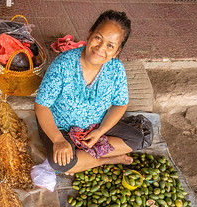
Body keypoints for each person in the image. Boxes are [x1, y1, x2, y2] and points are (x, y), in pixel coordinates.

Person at [35, 10, 149, 174]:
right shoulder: (63, 64)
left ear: (117, 52)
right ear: (89, 35)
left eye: (110, 46)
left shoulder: (116, 69)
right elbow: (41, 106)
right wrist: (58, 140)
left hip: (94, 127)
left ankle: (82, 159)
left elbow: (120, 104)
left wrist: (100, 131)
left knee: (136, 139)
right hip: (60, 127)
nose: (101, 48)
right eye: (98, 38)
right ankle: (106, 159)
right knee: (59, 163)